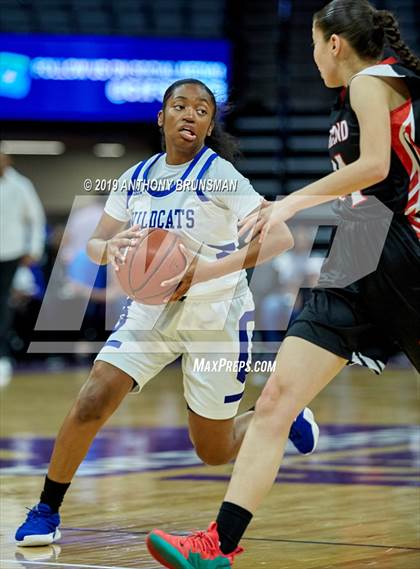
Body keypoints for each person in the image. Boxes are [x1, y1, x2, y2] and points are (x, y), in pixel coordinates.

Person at [146, 2, 420, 567]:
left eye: (315, 44)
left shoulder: (374, 79)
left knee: (275, 399)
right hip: (358, 246)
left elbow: (373, 166)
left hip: (399, 248)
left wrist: (290, 203)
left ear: (335, 44)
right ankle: (217, 543)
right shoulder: (368, 90)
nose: (313, 55)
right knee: (275, 400)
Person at [15, 78, 319, 546]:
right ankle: (46, 509)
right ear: (162, 116)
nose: (190, 115)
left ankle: (277, 417)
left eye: (202, 110)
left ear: (209, 123)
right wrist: (108, 246)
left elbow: (278, 238)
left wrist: (205, 270)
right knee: (93, 397)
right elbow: (96, 244)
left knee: (213, 452)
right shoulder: (135, 178)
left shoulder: (221, 177)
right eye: (180, 106)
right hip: (150, 312)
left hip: (216, 316)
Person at [0, 153, 46, 387]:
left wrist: (34, 250)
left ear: (7, 160)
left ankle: (2, 356)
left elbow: (35, 219)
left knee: (2, 305)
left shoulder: (21, 185)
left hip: (11, 253)